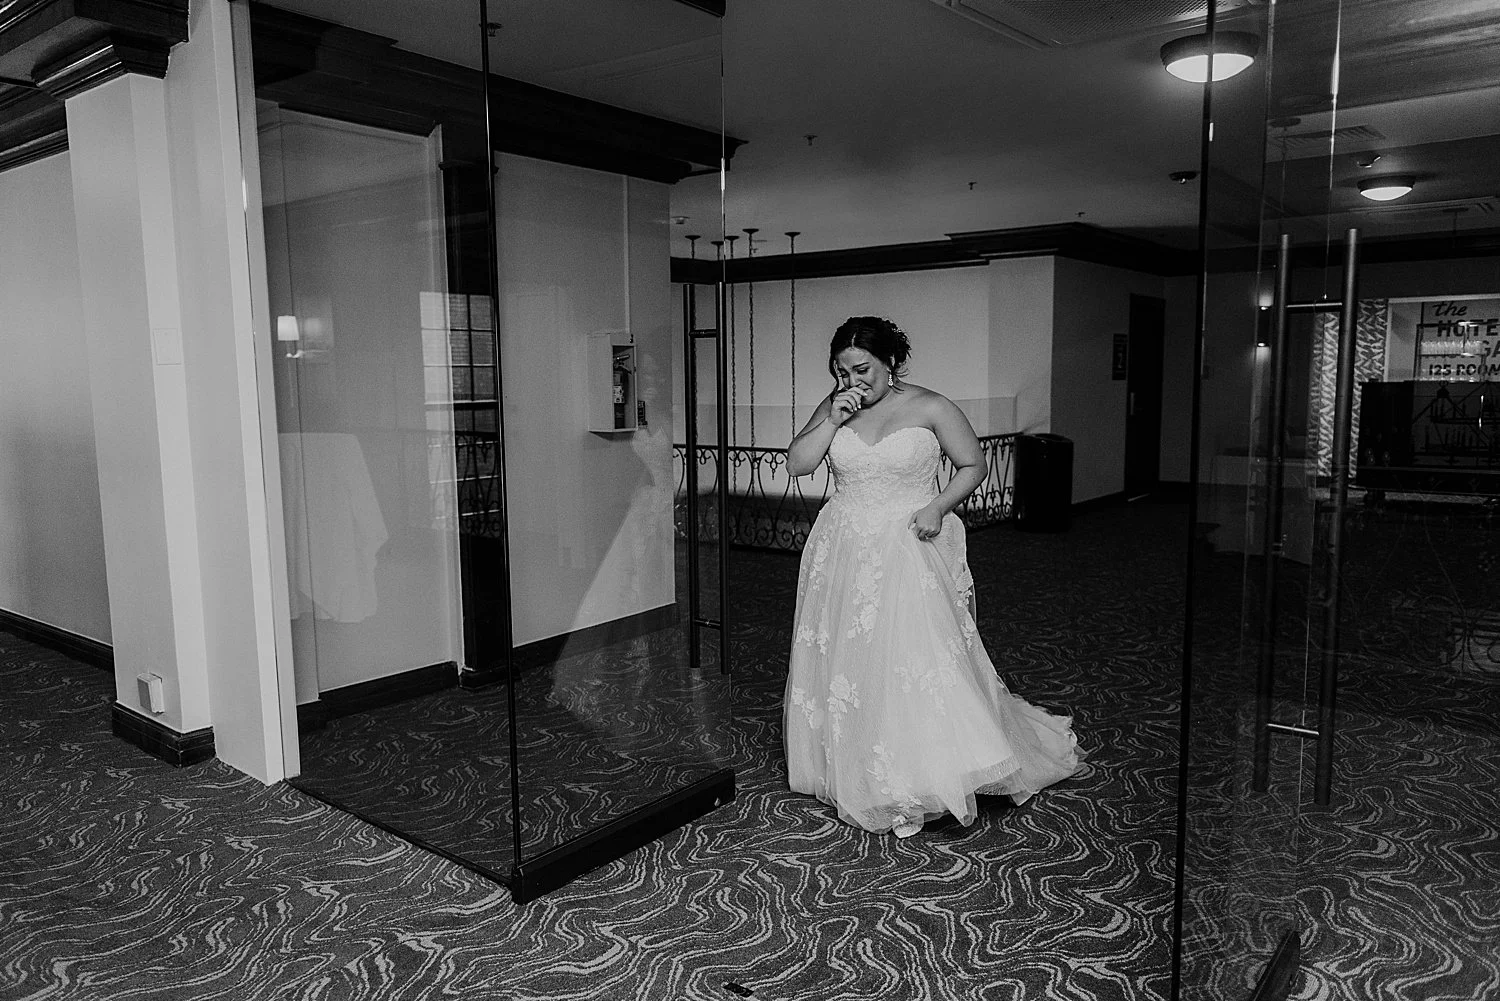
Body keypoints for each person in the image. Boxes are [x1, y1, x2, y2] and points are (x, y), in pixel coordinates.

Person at [783, 316, 1083, 837]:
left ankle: (933, 768)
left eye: (862, 369)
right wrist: (831, 418)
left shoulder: (931, 406)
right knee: (853, 655)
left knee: (913, 654)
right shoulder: (834, 407)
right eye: (841, 370)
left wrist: (938, 507)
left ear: (890, 362)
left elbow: (973, 465)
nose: (853, 380)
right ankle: (858, 761)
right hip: (845, 544)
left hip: (909, 541)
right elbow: (798, 465)